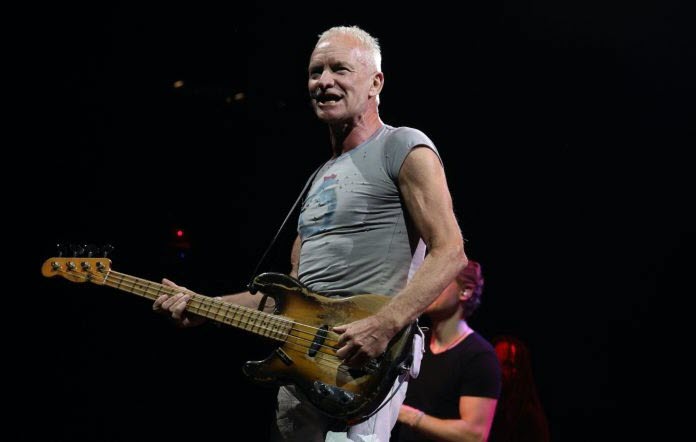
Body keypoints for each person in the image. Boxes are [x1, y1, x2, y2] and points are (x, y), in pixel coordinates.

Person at [153, 25, 466, 441]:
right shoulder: (317, 178)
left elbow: (450, 251)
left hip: (363, 369)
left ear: (375, 83)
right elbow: (292, 296)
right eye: (315, 72)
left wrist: (385, 324)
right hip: (300, 367)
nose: (323, 81)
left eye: (339, 69)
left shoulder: (403, 146)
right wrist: (203, 307)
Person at [394, 260, 501, 442]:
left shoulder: (480, 356)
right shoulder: (416, 341)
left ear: (465, 291)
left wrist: (406, 414)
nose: (429, 288)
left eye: (440, 280)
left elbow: (474, 435)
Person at [488, 335, 550, 442]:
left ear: (519, 371)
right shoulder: (485, 408)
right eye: (495, 362)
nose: (498, 370)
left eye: (507, 365)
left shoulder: (528, 418)